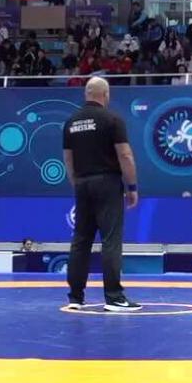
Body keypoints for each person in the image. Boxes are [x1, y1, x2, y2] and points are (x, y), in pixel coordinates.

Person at [62, 77, 140, 312]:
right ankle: (114, 297)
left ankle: (75, 297)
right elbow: (125, 155)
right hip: (107, 183)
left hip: (82, 183)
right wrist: (132, 187)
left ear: (86, 94)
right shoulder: (112, 119)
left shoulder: (71, 122)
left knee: (81, 240)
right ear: (105, 95)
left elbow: (68, 159)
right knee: (111, 240)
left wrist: (77, 183)